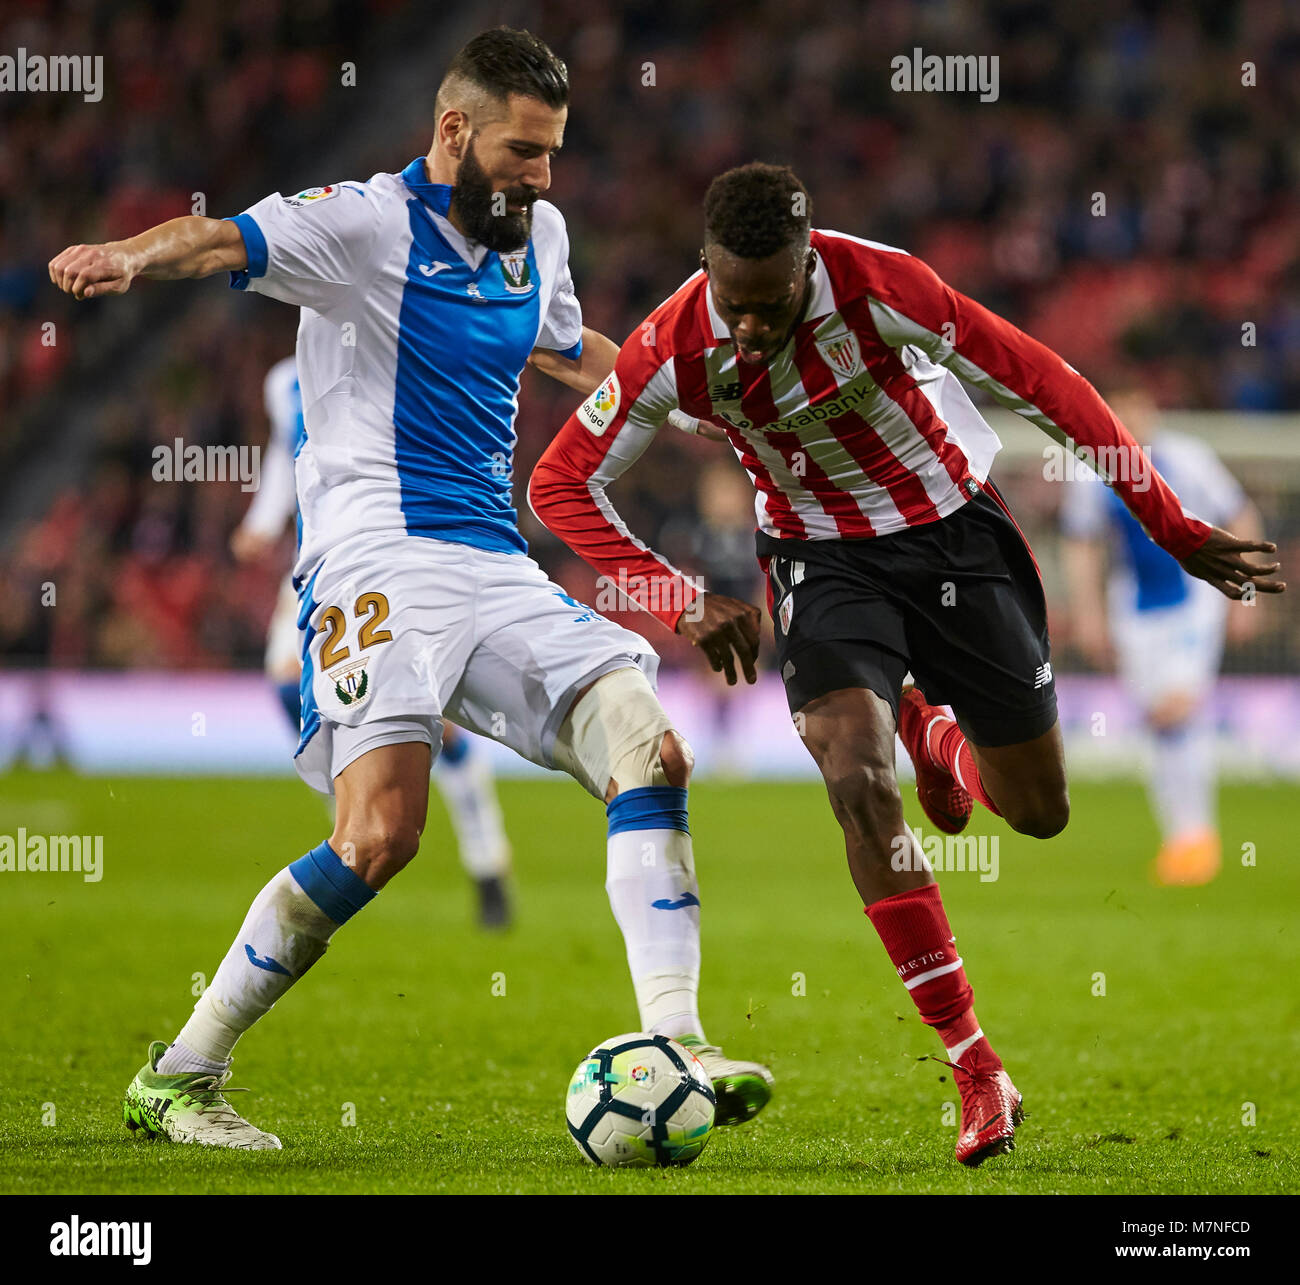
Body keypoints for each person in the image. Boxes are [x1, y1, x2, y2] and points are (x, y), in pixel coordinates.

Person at [49, 29, 771, 1151]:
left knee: (651, 750)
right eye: (522, 152)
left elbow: (573, 350)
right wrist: (131, 255)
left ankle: (676, 1039)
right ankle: (183, 1074)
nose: (540, 177)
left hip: (492, 557)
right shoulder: (361, 224)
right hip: (376, 551)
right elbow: (218, 240)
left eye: (552, 154)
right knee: (380, 835)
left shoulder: (544, 232)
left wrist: (693, 397)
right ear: (452, 130)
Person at [528, 162, 1284, 1165]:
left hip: (954, 538)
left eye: (771, 304)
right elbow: (558, 484)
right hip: (818, 560)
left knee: (1038, 810)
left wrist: (1169, 521)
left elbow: (1042, 381)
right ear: (705, 268)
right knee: (855, 779)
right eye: (731, 302)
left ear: (807, 261)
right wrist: (675, 597)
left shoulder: (883, 287)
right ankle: (975, 1066)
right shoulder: (679, 339)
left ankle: (935, 733)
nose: (749, 328)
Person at [232, 356, 515, 926]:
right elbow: (290, 454)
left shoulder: (396, 347)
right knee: (291, 687)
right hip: (319, 565)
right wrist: (263, 522)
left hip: (402, 556)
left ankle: (486, 858)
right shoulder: (283, 379)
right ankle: (351, 830)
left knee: (440, 716)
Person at [1061, 385, 1267, 886]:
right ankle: (1185, 839)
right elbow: (1082, 545)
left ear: (1150, 409)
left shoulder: (1187, 457)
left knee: (1179, 706)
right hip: (1134, 609)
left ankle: (1197, 838)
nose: (1129, 417)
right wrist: (1089, 616)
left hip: (1194, 603)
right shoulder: (1090, 473)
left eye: (1136, 406)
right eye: (1118, 409)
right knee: (1161, 722)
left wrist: (1247, 594)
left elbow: (1240, 515)